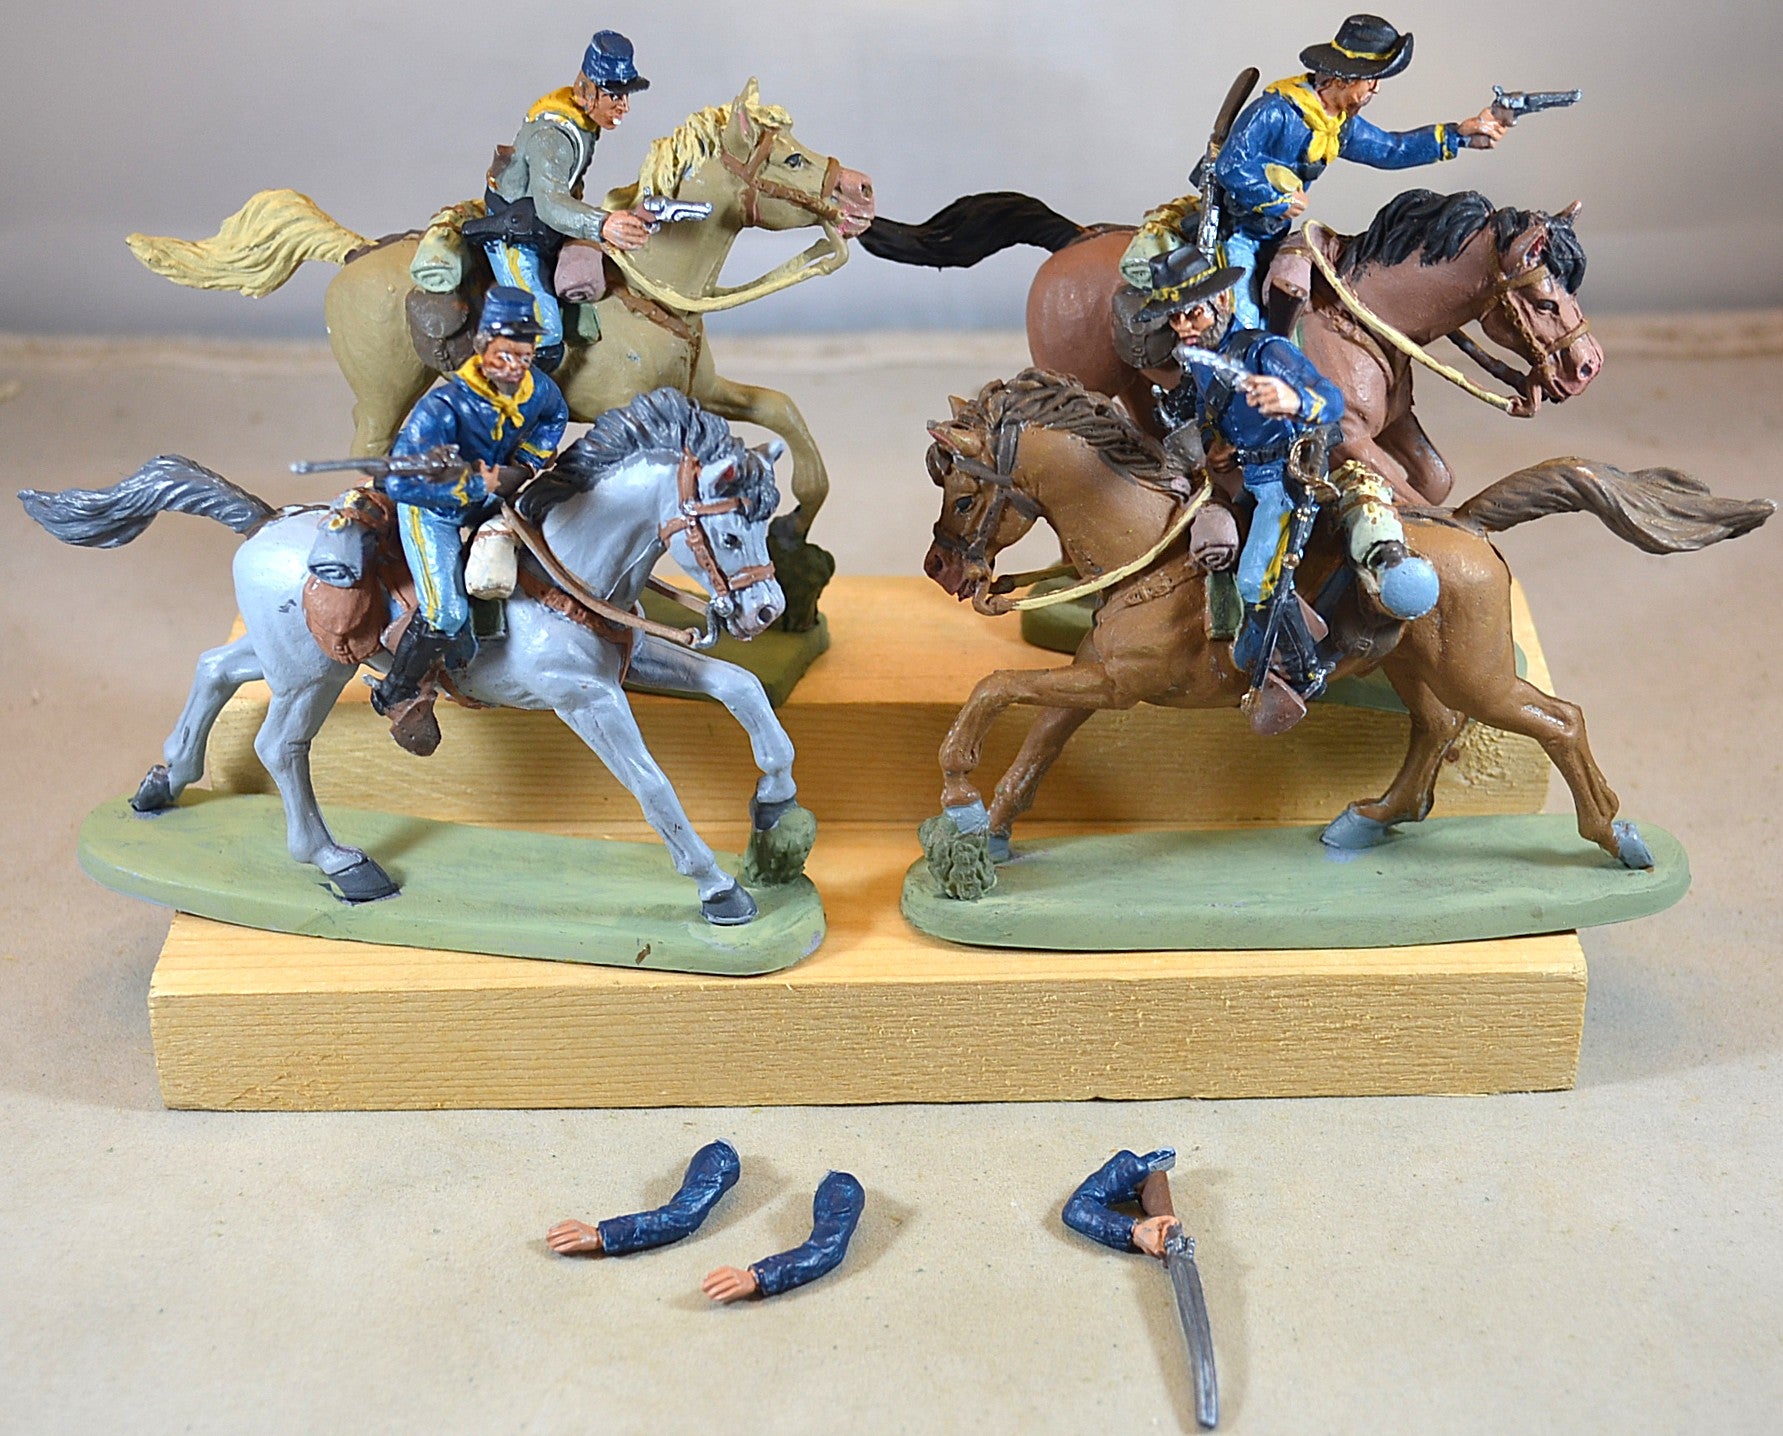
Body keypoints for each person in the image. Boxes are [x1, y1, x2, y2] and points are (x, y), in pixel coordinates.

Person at [1212, 13, 1508, 329]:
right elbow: (1229, 166)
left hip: (1275, 233)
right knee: (1244, 322)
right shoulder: (1275, 112)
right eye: (1371, 81)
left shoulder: (1337, 124)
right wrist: (1276, 199)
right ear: (1343, 79)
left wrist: (1457, 136)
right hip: (1236, 234)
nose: (1375, 90)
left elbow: (1390, 149)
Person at [372, 286, 569, 754]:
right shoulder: (442, 409)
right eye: (505, 353)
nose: (515, 365)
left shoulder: (537, 390)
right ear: (481, 346)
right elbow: (400, 483)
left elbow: (553, 418)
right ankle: (396, 690)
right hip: (434, 512)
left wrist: (524, 465)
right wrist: (469, 486)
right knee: (446, 613)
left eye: (524, 354)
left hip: (496, 497)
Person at [1141, 248, 1344, 698]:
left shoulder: (1265, 351)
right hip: (1246, 475)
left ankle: (1305, 670)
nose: (1184, 327)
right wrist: (1215, 447)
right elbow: (1206, 408)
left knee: (1255, 579)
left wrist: (1294, 401)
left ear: (1222, 302)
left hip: (1287, 478)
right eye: (1175, 318)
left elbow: (1331, 398)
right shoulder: (1200, 358)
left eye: (1192, 313)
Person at [463, 30, 655, 372]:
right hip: (517, 231)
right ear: (588, 92)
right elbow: (550, 203)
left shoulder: (585, 123)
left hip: (545, 224)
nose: (623, 106)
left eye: (625, 95)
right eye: (614, 95)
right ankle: (513, 400)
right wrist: (603, 224)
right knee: (544, 329)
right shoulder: (553, 134)